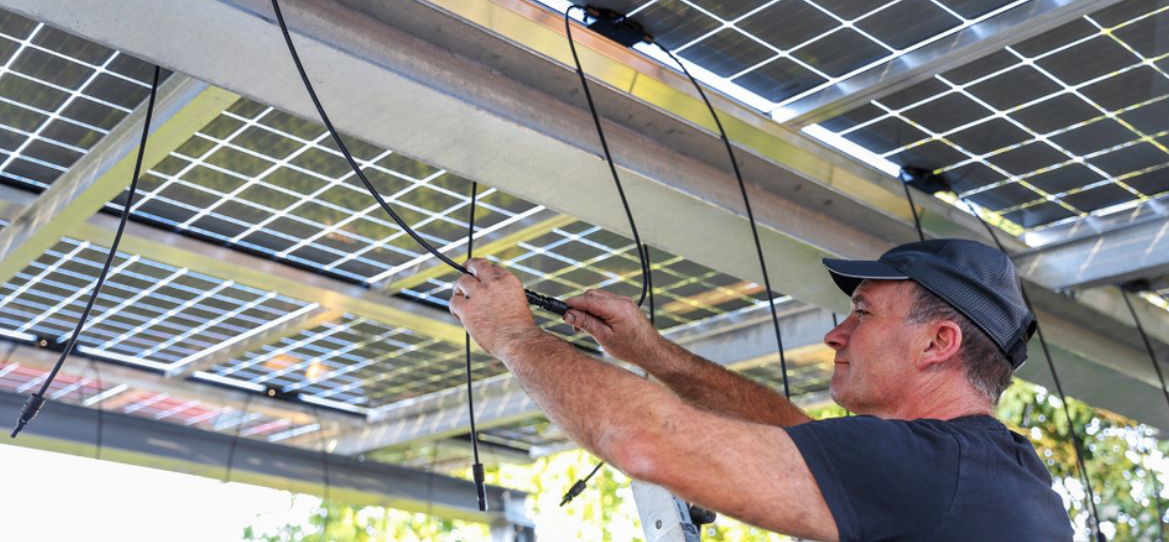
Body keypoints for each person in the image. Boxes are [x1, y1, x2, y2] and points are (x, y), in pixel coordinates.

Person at [449, 238, 1074, 541]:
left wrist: (511, 336)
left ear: (938, 343)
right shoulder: (991, 469)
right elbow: (801, 441)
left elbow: (646, 442)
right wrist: (652, 354)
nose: (836, 335)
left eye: (862, 313)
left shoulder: (936, 469)